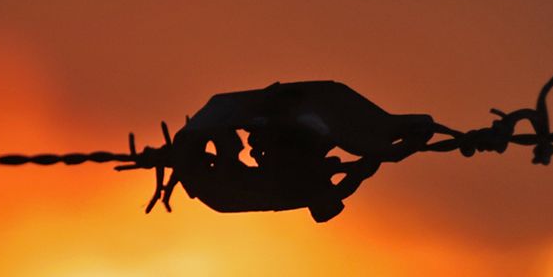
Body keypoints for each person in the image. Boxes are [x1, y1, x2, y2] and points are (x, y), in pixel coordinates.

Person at [159, 81, 435, 222]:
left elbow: (366, 163)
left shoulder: (307, 184)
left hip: (247, 151)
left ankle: (398, 126)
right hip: (273, 138)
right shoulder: (317, 184)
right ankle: (399, 125)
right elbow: (366, 164)